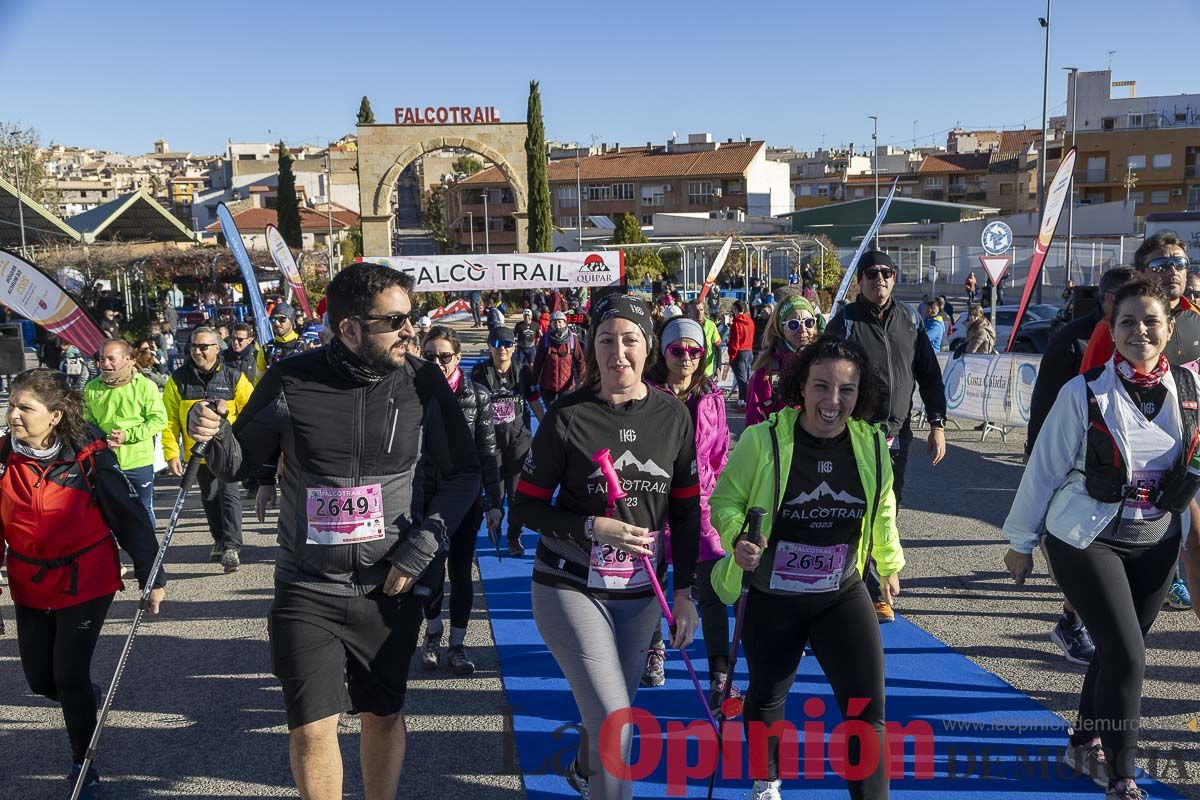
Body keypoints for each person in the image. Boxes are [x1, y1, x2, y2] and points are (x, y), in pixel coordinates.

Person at [187, 262, 481, 800]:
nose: (410, 330)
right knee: (312, 726)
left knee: (382, 717)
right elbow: (237, 464)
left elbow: (464, 473)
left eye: (410, 318)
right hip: (307, 585)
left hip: (386, 584)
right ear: (349, 328)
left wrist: (421, 548)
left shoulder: (421, 380)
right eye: (394, 321)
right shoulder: (291, 378)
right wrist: (209, 435)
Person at [1004, 279, 1198, 800]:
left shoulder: (1190, 390)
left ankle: (1082, 739)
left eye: (1151, 321)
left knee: (1116, 650)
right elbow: (1043, 470)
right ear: (1111, 331)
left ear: (1170, 329)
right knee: (1130, 656)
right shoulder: (1084, 390)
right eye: (1128, 322)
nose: (1140, 331)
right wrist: (1021, 542)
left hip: (1156, 538)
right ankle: (1122, 774)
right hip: (1085, 536)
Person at [513, 293, 701, 800]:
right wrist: (593, 528)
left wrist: (686, 592)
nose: (618, 352)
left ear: (649, 349)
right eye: (606, 340)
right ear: (590, 347)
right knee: (618, 723)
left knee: (607, 716)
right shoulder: (567, 416)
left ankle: (582, 763)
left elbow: (685, 512)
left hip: (640, 593)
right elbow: (525, 509)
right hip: (568, 585)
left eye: (630, 340)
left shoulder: (674, 416)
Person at [710, 335, 903, 800]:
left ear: (861, 396)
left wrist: (890, 562)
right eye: (821, 386)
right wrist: (740, 539)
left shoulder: (873, 445)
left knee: (867, 709)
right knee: (768, 693)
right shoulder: (763, 439)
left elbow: (882, 507)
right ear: (801, 386)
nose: (832, 401)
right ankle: (766, 779)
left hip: (840, 590)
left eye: (846, 391)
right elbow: (725, 501)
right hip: (774, 592)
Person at [1, 368, 165, 798]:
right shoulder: (2, 456)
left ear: (54, 416)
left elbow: (128, 515)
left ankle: (82, 765)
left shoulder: (87, 454)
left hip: (86, 578)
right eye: (12, 404)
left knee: (69, 673)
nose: (14, 414)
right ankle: (81, 701)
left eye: (25, 407)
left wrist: (152, 574)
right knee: (40, 680)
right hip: (29, 581)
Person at [825, 250, 946, 623]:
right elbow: (825, 375)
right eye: (872, 273)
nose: (880, 279)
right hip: (854, 433)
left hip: (897, 434)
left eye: (887, 273)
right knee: (850, 510)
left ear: (895, 278)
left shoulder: (909, 319)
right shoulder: (844, 322)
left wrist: (938, 423)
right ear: (860, 280)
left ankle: (876, 591)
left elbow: (927, 373)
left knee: (888, 510)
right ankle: (851, 588)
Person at [1024, 267, 1133, 664]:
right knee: (1077, 545)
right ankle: (1072, 621)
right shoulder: (1072, 339)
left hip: (1127, 477)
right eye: (1125, 300)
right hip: (1077, 471)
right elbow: (1045, 404)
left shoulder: (1146, 338)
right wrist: (1036, 457)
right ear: (1108, 300)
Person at [640, 315, 732, 702]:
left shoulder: (711, 396)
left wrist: (725, 497)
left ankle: (719, 672)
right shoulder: (648, 395)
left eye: (695, 350)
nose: (687, 358)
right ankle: (654, 651)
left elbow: (721, 452)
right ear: (664, 352)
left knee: (710, 589)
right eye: (678, 350)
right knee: (654, 584)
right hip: (657, 503)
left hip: (703, 506)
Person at [418, 325, 503, 676]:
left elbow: (489, 451)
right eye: (429, 357)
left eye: (445, 357)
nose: (438, 363)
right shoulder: (413, 393)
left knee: (462, 571)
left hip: (466, 498)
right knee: (431, 570)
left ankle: (458, 643)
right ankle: (433, 631)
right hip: (427, 495)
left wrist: (495, 502)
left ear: (459, 358)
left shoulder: (478, 395)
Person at [162, 327, 254, 573]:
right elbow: (169, 420)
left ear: (217, 348)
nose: (197, 351)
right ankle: (219, 538)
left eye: (203, 346)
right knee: (210, 497)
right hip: (197, 455)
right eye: (193, 346)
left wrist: (233, 427)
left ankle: (232, 546)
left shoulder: (234, 377)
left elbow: (251, 411)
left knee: (229, 495)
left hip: (227, 454)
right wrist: (171, 454)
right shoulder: (178, 379)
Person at [471, 325, 545, 557]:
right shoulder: (479, 372)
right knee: (496, 492)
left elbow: (534, 402)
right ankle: (495, 525)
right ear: (489, 347)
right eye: (496, 344)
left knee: (516, 493)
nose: (501, 349)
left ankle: (514, 537)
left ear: (514, 347)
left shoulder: (523, 371)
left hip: (519, 439)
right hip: (491, 439)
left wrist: (549, 428)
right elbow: (472, 407)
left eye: (506, 344)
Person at [83, 339, 168, 527]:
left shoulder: (145, 386)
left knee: (142, 508)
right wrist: (103, 440)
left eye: (111, 359)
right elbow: (87, 422)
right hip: (105, 459)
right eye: (102, 359)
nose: (105, 364)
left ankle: (148, 554)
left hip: (138, 461)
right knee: (108, 510)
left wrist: (128, 435)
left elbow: (158, 420)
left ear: (128, 360)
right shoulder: (91, 387)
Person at [746, 295, 821, 426]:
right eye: (793, 324)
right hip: (782, 444)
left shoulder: (827, 363)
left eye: (809, 322)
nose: (803, 330)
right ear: (781, 329)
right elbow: (754, 425)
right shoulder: (766, 372)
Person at [532, 310, 585, 408]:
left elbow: (580, 360)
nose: (558, 324)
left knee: (566, 414)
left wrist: (582, 378)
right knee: (551, 415)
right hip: (548, 386)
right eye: (554, 322)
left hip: (567, 387)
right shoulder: (545, 339)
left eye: (560, 321)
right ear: (551, 324)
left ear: (565, 323)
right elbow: (538, 362)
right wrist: (534, 381)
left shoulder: (573, 339)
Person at [256, 302, 305, 375]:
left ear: (291, 320)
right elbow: (258, 380)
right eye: (273, 319)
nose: (276, 323)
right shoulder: (266, 349)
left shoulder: (305, 345)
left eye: (282, 319)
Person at [684, 299, 723, 379]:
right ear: (689, 313)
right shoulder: (686, 326)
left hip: (707, 371)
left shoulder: (711, 325)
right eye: (695, 311)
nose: (699, 313)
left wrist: (718, 367)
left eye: (701, 310)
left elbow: (718, 348)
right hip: (691, 371)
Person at [729, 300, 756, 409]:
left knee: (741, 380)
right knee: (746, 377)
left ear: (736, 309)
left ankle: (742, 401)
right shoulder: (750, 321)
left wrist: (732, 356)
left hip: (739, 352)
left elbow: (734, 342)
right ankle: (744, 400)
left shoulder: (736, 323)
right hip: (749, 350)